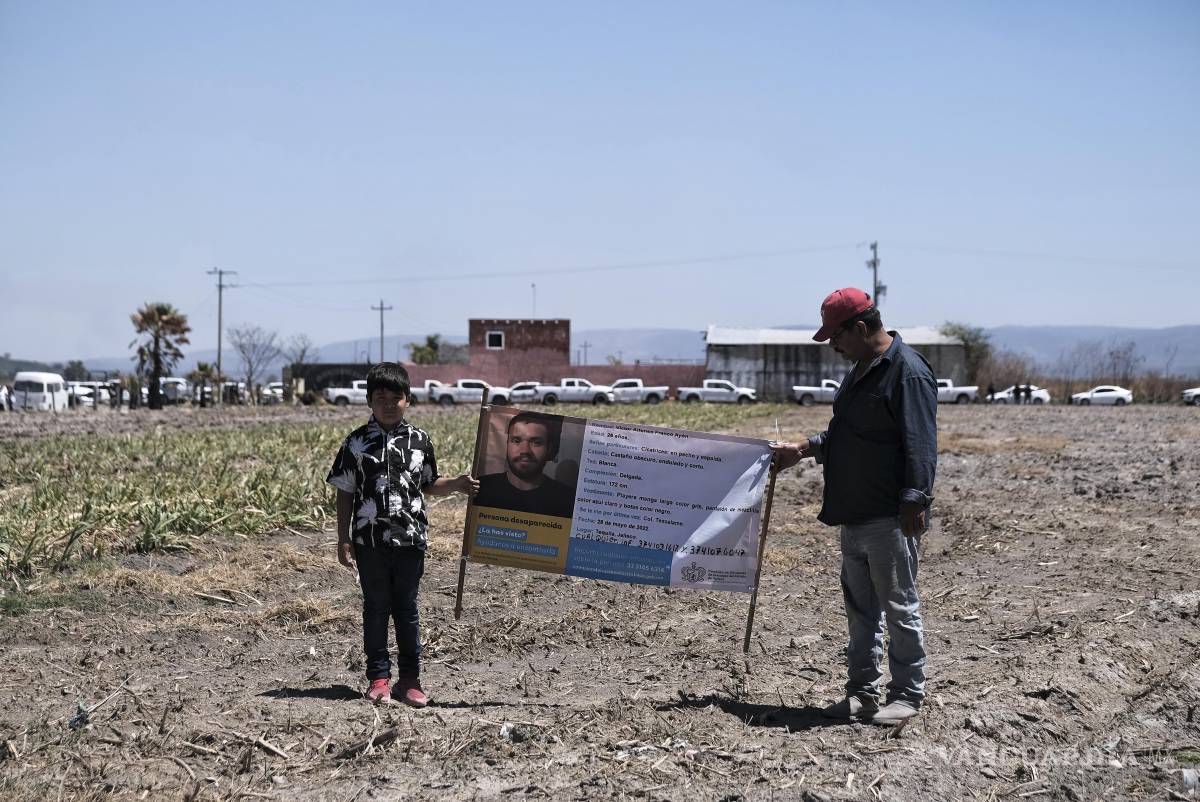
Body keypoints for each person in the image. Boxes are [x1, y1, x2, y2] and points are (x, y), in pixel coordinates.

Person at [773, 287, 936, 726]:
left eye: (837, 336)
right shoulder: (861, 369)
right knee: (860, 610)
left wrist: (915, 500)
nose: (833, 345)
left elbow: (921, 445)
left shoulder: (907, 373)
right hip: (855, 511)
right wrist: (803, 449)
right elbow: (847, 437)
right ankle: (862, 693)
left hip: (889, 515)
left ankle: (907, 694)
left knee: (898, 606)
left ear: (861, 327)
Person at [326, 362, 478, 707]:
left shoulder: (420, 441)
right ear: (369, 401)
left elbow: (427, 482)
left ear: (408, 400)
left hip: (411, 539)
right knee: (376, 607)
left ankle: (410, 680)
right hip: (370, 541)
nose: (389, 403)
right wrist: (343, 537)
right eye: (381, 397)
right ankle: (379, 678)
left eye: (396, 397)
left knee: (407, 608)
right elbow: (345, 490)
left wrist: (456, 484)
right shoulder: (356, 442)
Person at [474, 411, 576, 518]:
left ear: (549, 449)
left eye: (536, 442)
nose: (525, 451)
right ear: (507, 444)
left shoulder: (568, 499)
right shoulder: (480, 488)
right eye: (516, 440)